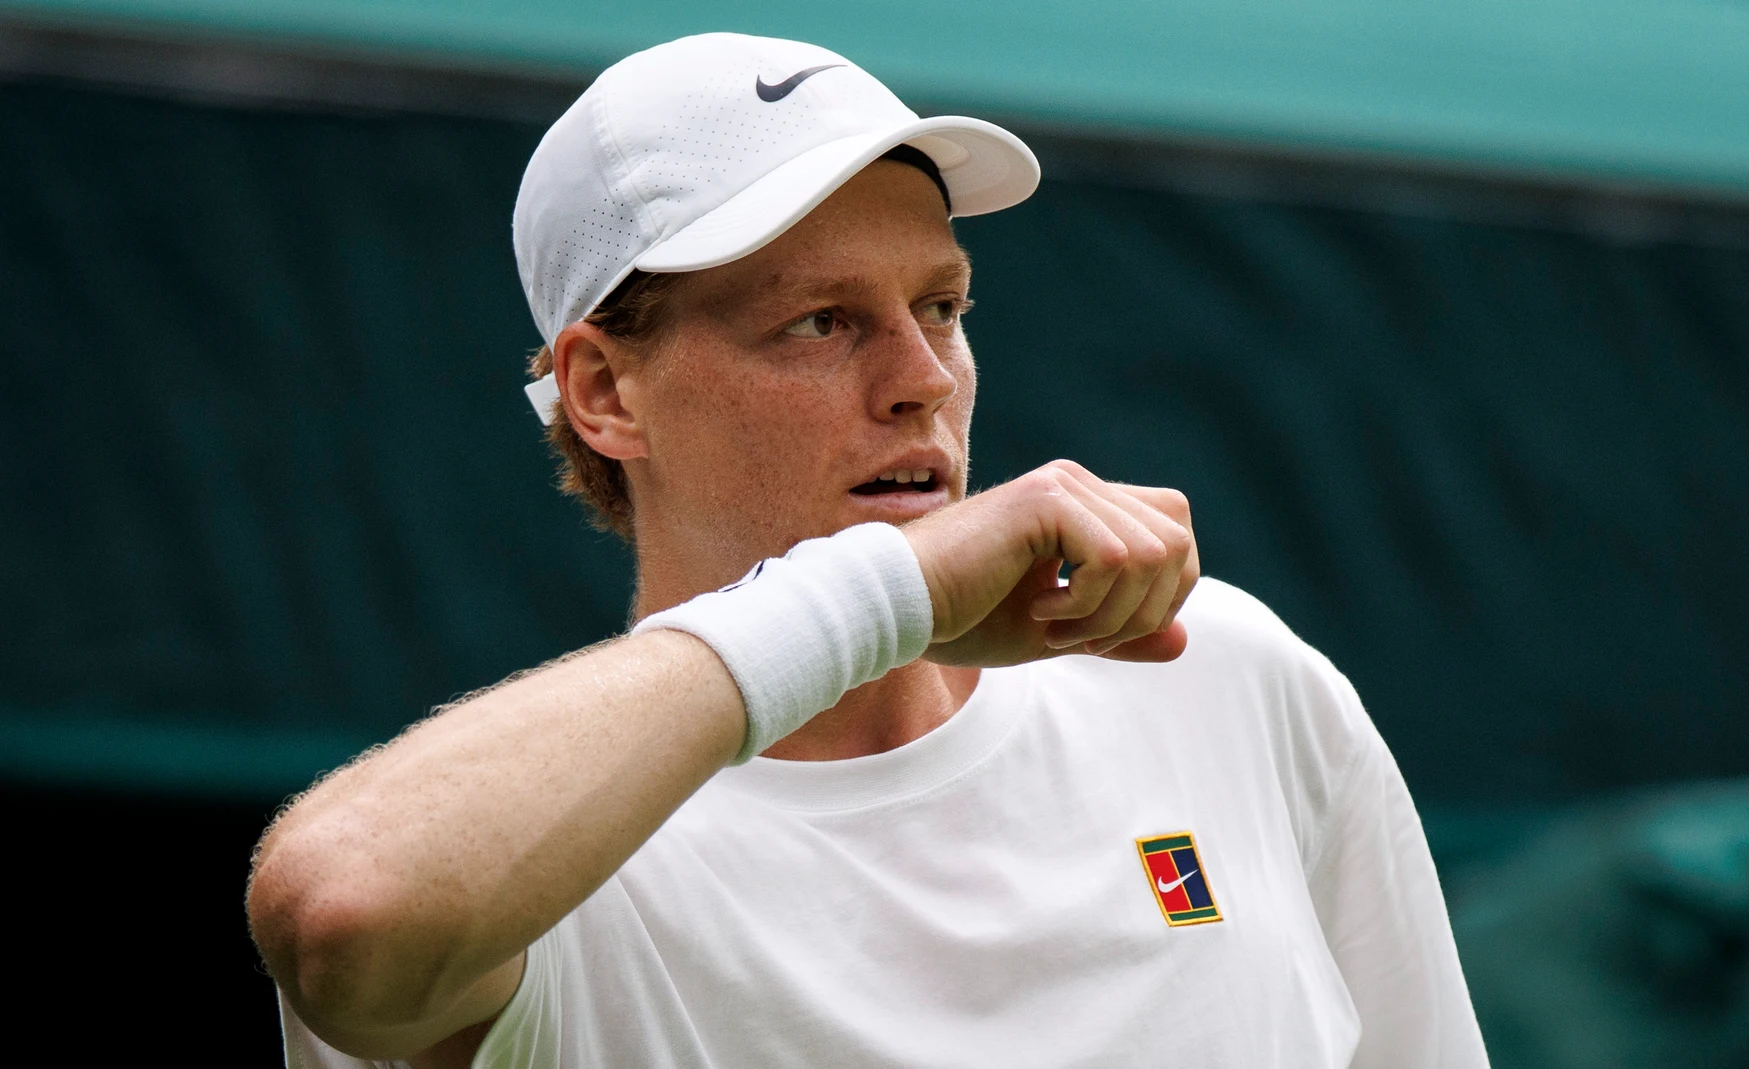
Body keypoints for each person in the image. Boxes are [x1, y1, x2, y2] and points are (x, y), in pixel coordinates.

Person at [249, 32, 1489, 1069]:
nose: (921, 380)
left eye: (941, 306)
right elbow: (345, 913)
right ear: (606, 393)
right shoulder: (540, 846)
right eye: (819, 321)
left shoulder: (1223, 671)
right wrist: (888, 590)